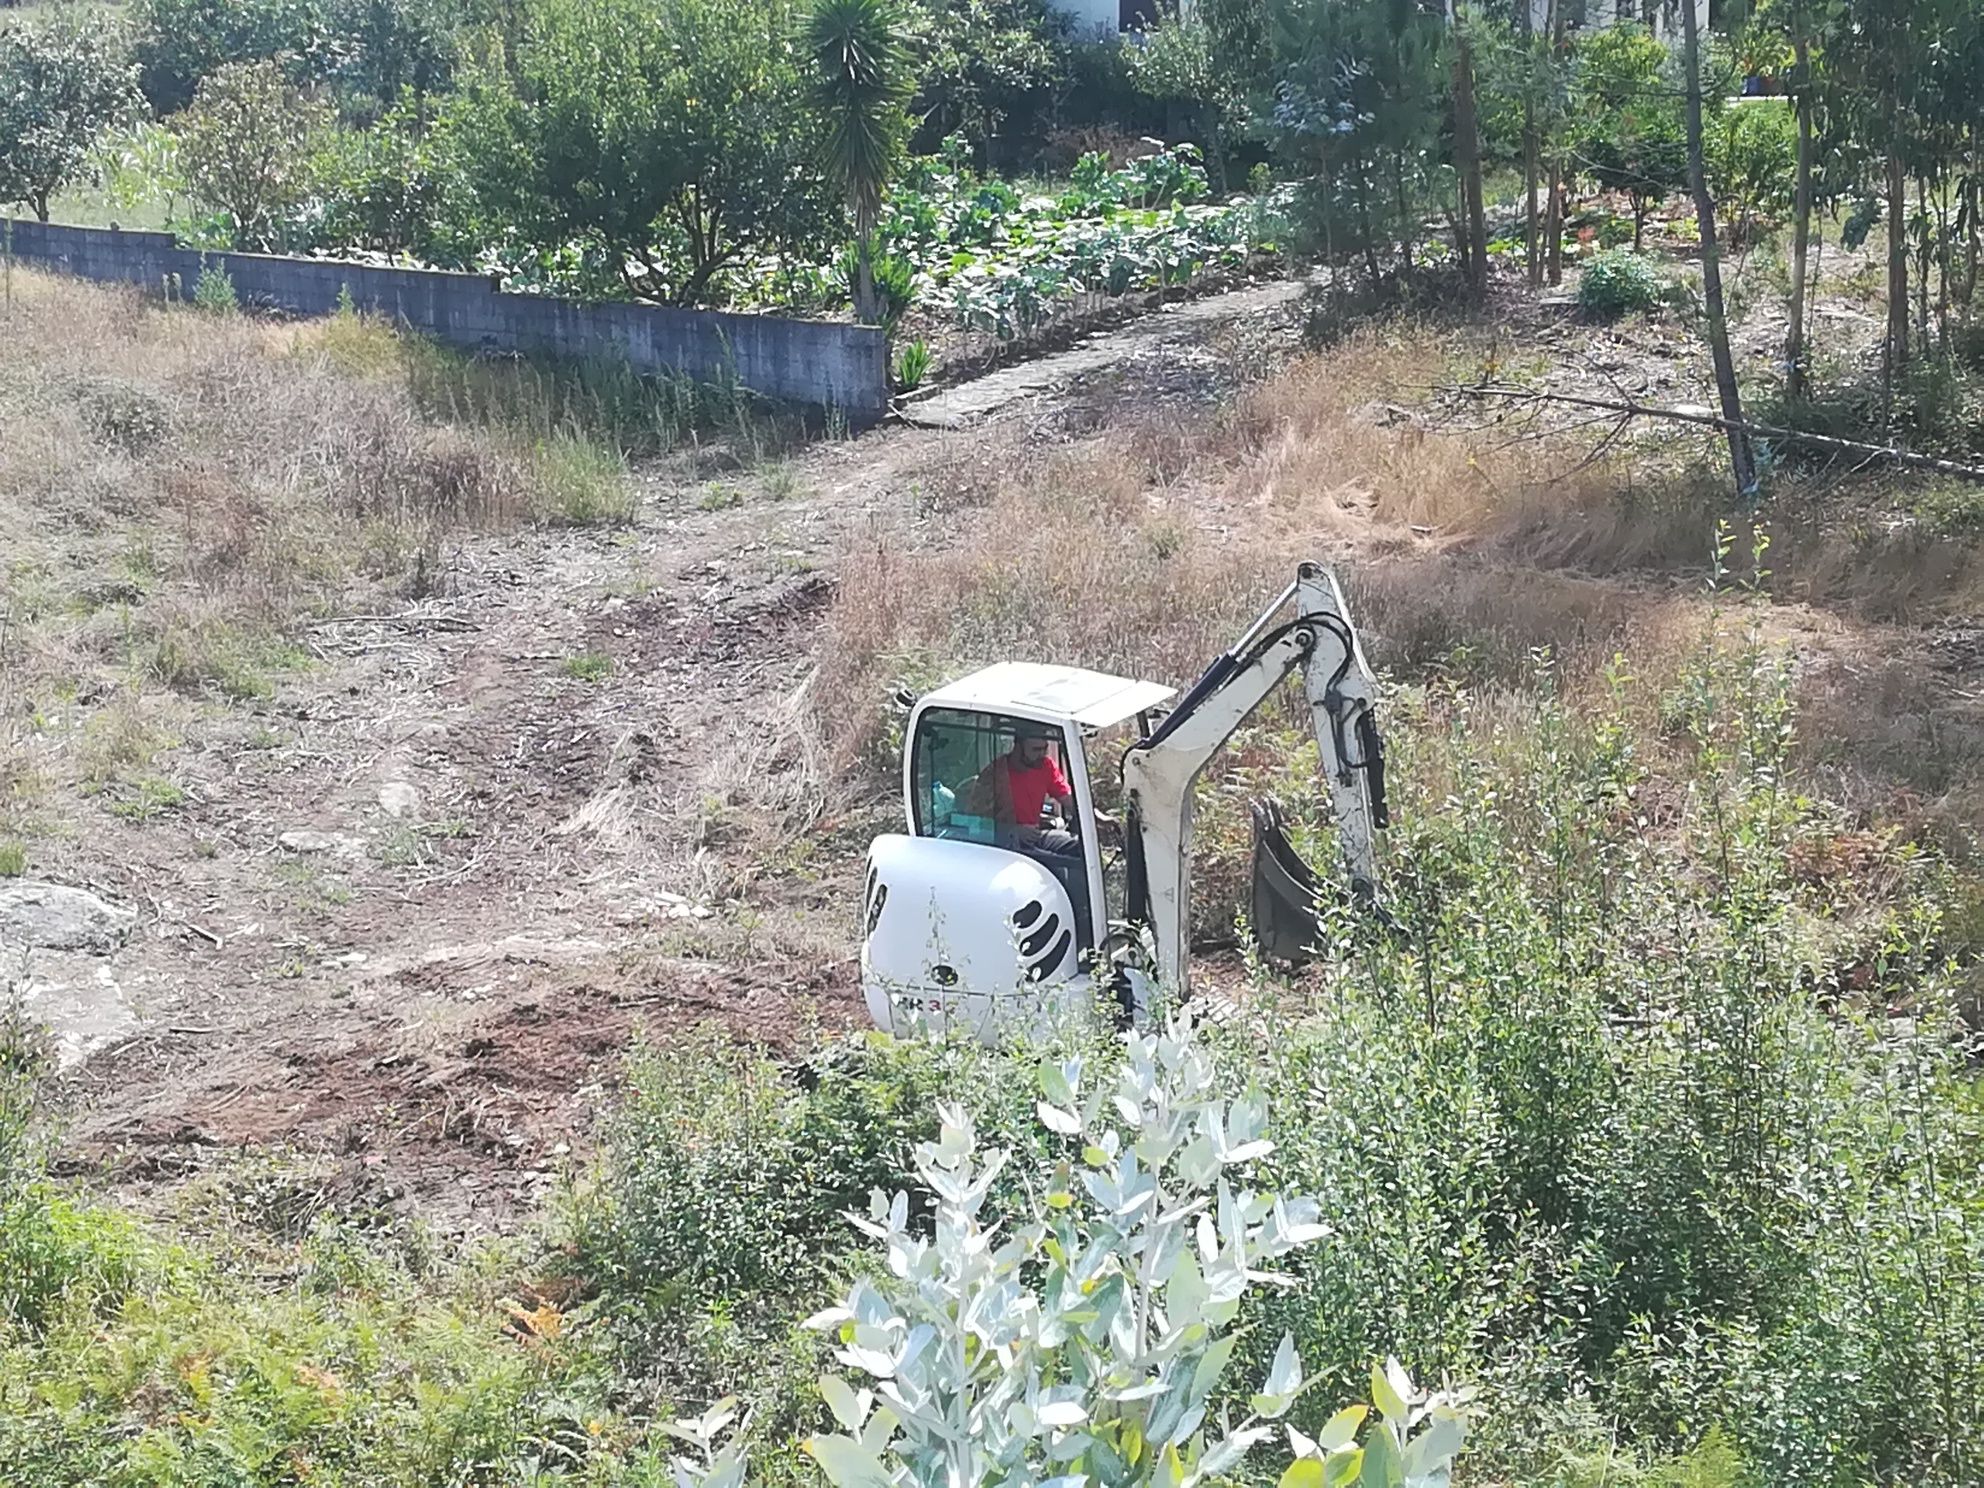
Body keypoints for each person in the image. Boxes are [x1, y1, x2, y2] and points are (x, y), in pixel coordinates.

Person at [967, 722, 1078, 853]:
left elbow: (1067, 798)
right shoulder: (995, 774)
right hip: (1005, 844)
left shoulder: (1045, 766)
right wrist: (1013, 831)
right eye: (1036, 750)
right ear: (1018, 748)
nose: (1042, 754)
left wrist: (1094, 816)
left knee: (1078, 846)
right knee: (1057, 866)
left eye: (1044, 749)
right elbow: (974, 823)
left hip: (1035, 835)